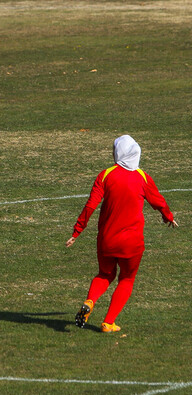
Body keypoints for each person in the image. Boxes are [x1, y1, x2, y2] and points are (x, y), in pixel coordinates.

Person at [66, 135, 178, 333]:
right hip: (132, 243)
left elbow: (90, 206)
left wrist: (77, 231)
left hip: (107, 240)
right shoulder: (142, 177)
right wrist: (168, 216)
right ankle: (108, 322)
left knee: (104, 274)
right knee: (126, 279)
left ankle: (90, 301)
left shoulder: (106, 175)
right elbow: (158, 201)